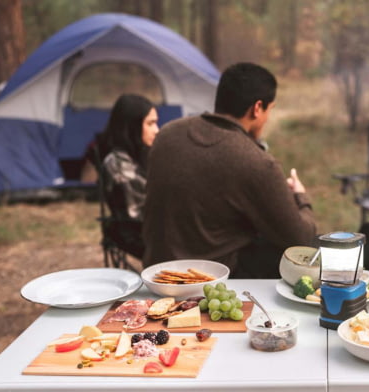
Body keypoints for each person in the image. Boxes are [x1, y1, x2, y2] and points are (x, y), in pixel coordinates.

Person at [141, 62, 316, 278]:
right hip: (211, 278)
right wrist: (300, 196)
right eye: (269, 110)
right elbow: (300, 239)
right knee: (310, 251)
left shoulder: (167, 134)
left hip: (156, 270)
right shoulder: (255, 161)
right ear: (257, 108)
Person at [89, 94, 159, 259]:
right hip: (139, 235)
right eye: (150, 123)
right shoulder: (118, 166)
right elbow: (141, 216)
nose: (157, 130)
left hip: (150, 229)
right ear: (132, 126)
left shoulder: (139, 153)